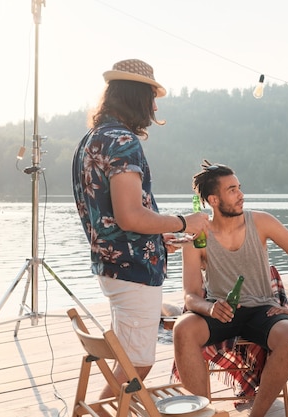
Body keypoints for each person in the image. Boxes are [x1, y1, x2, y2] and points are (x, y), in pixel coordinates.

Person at [71, 58, 209, 401]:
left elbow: (111, 216)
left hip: (111, 266)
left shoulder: (92, 139)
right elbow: (130, 215)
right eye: (152, 97)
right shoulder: (122, 141)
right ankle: (104, 411)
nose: (155, 106)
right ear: (137, 97)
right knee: (138, 364)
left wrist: (157, 236)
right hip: (132, 272)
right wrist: (183, 222)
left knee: (129, 361)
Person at [173, 160, 288, 417]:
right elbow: (190, 295)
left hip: (262, 310)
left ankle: (256, 415)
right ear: (214, 200)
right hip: (222, 312)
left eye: (239, 187)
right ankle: (202, 414)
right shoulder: (198, 237)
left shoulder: (261, 222)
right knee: (182, 328)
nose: (241, 194)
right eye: (232, 189)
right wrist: (210, 307)